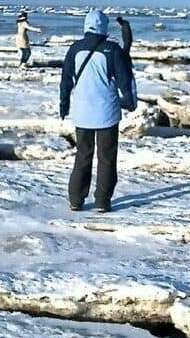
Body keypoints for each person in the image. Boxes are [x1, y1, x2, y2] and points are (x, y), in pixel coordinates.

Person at [60, 10, 137, 213]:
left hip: (82, 112)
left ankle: (76, 199)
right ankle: (103, 201)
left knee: (83, 155)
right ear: (104, 26)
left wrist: (63, 105)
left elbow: (66, 81)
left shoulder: (75, 49)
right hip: (107, 113)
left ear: (86, 26)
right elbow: (124, 80)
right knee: (106, 157)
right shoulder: (112, 50)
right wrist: (129, 102)